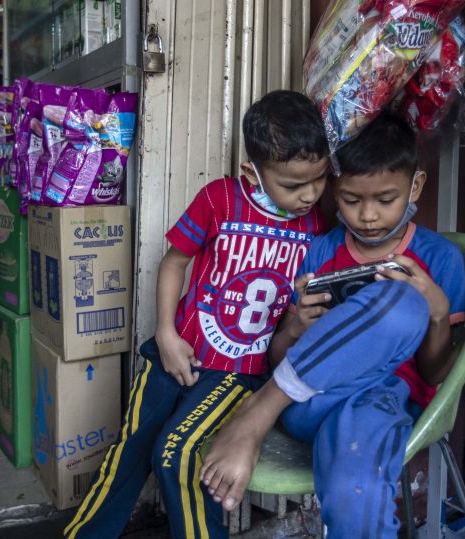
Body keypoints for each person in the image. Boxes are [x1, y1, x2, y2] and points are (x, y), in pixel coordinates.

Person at [63, 90, 330, 539]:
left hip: (239, 371)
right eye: (292, 184)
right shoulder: (220, 199)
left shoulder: (316, 228)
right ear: (253, 171)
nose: (309, 195)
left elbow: (295, 318)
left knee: (178, 454)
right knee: (131, 447)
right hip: (178, 349)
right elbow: (173, 263)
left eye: (319, 180)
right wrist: (166, 333)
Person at [200, 111, 465, 538]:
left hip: (380, 405)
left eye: (385, 199)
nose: (368, 216)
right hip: (309, 401)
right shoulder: (321, 251)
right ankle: (258, 412)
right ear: (334, 192)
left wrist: (436, 311)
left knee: (355, 493)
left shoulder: (440, 258)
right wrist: (295, 327)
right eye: (351, 200)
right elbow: (280, 354)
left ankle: (259, 410)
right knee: (399, 300)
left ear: (415, 186)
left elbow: (436, 374)